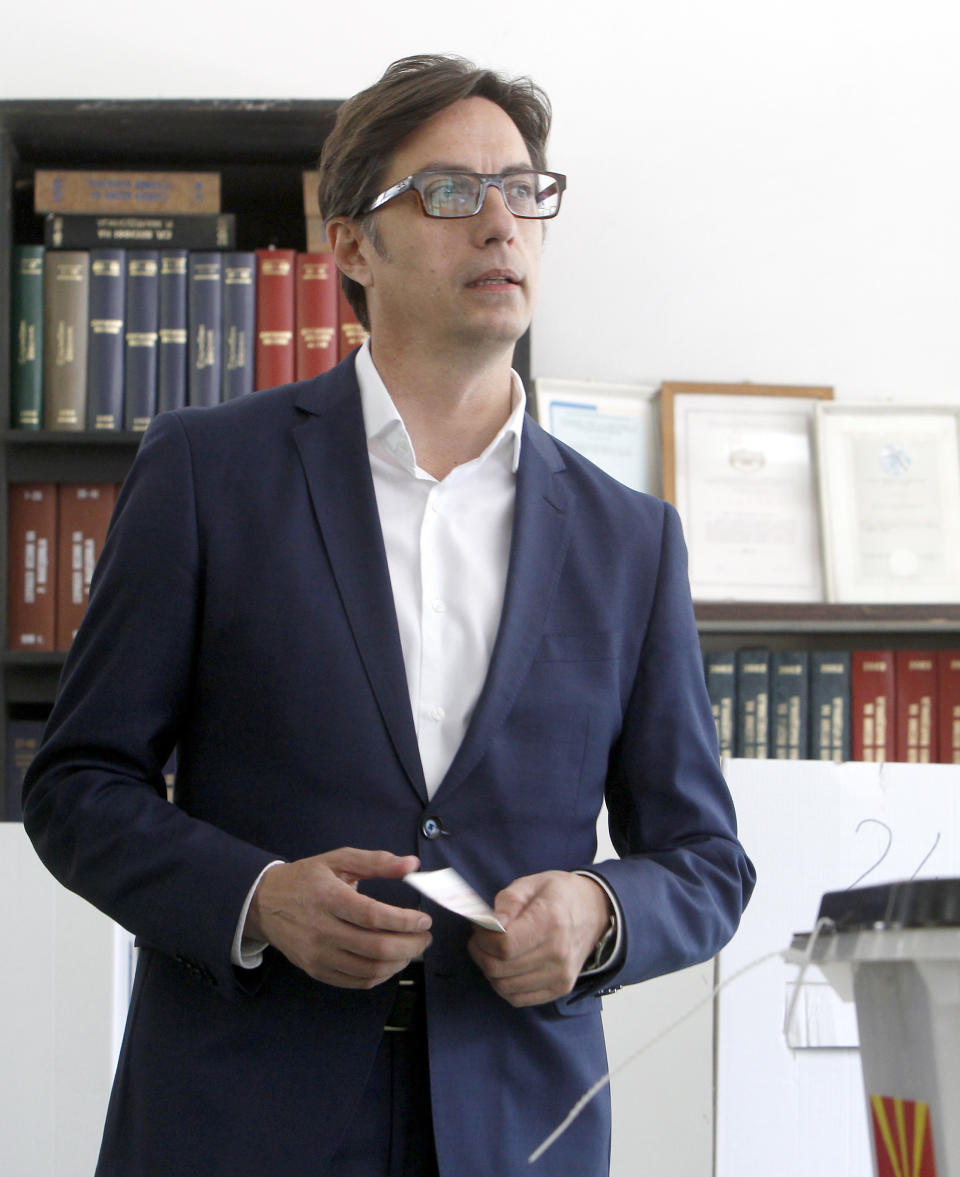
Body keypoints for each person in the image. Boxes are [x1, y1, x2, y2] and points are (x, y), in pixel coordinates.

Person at [23, 53, 755, 1177]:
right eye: (452, 193)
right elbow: (76, 786)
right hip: (236, 1120)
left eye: (523, 189)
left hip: (519, 1126)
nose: (500, 223)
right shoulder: (207, 474)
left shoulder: (630, 537)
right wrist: (256, 899)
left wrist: (599, 914)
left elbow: (705, 859)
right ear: (352, 244)